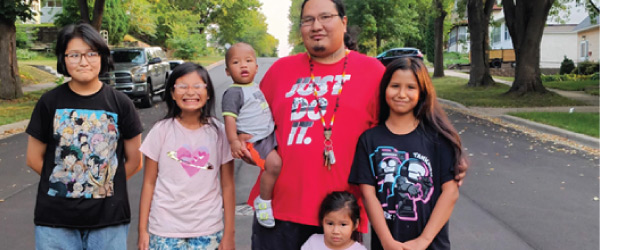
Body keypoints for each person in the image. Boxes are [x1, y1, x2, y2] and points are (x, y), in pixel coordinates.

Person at [247, 0, 468, 248]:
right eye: (308, 20)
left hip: (343, 219)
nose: (315, 26)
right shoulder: (279, 71)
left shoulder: (374, 72)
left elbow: (410, 119)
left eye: (324, 17)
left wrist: (449, 156)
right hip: (279, 214)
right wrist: (258, 156)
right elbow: (248, 131)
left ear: (344, 22)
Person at [25, 23, 143, 250]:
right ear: (63, 59)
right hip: (55, 221)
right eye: (74, 55)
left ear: (102, 57)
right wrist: (70, 182)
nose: (83, 61)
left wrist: (100, 183)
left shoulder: (121, 104)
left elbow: (135, 161)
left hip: (109, 220)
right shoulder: (49, 103)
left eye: (91, 53)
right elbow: (33, 158)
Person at [348, 57, 464, 250]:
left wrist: (423, 241)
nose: (402, 94)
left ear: (422, 92)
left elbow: (450, 193)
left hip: (431, 244)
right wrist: (386, 242)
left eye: (411, 87)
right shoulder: (369, 140)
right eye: (395, 86)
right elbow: (368, 195)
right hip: (387, 244)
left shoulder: (437, 138)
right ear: (385, 88)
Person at [137, 62, 236, 250]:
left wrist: (229, 233)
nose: (190, 92)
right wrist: (142, 230)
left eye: (198, 86)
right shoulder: (161, 131)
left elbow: (228, 185)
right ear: (173, 94)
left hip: (208, 228)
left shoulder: (220, 133)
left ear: (208, 94)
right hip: (165, 229)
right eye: (182, 86)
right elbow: (149, 183)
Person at [221, 42, 282, 228]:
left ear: (256, 67)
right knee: (273, 165)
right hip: (254, 140)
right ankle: (263, 202)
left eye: (248, 61)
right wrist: (234, 141)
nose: (243, 65)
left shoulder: (255, 87)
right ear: (227, 71)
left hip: (268, 135)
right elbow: (230, 120)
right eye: (236, 62)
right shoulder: (233, 92)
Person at [301, 191, 367, 250]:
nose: (335, 231)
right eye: (330, 223)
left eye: (343, 224)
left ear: (355, 224)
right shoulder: (313, 242)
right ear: (322, 221)